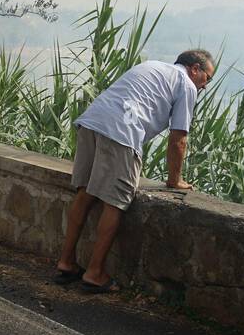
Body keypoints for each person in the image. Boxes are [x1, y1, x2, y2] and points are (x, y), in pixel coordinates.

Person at [53, 50, 215, 293]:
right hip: (121, 132)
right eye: (207, 78)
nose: (205, 85)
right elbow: (179, 138)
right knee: (115, 202)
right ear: (194, 69)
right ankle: (94, 272)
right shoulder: (186, 85)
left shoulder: (153, 66)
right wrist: (175, 180)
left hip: (92, 122)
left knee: (85, 193)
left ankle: (66, 263)